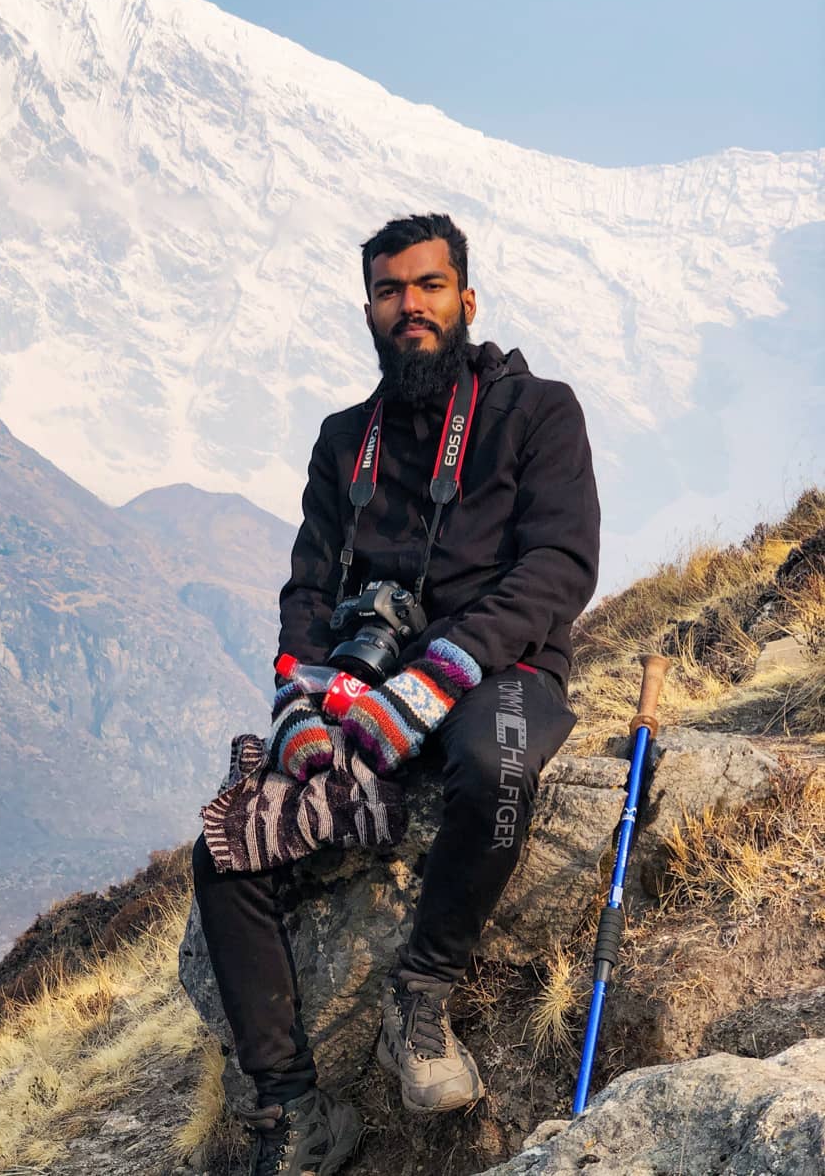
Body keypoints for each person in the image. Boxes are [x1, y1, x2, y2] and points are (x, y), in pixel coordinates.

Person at [191, 213, 601, 1176]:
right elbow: (307, 591)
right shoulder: (345, 441)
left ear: (468, 298)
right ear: (369, 308)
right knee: (231, 846)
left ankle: (420, 995)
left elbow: (559, 566)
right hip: (365, 694)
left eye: (428, 286)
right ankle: (292, 1113)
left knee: (494, 765)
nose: (409, 306)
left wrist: (433, 683)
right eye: (389, 291)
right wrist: (301, 706)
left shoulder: (538, 412)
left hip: (503, 668)